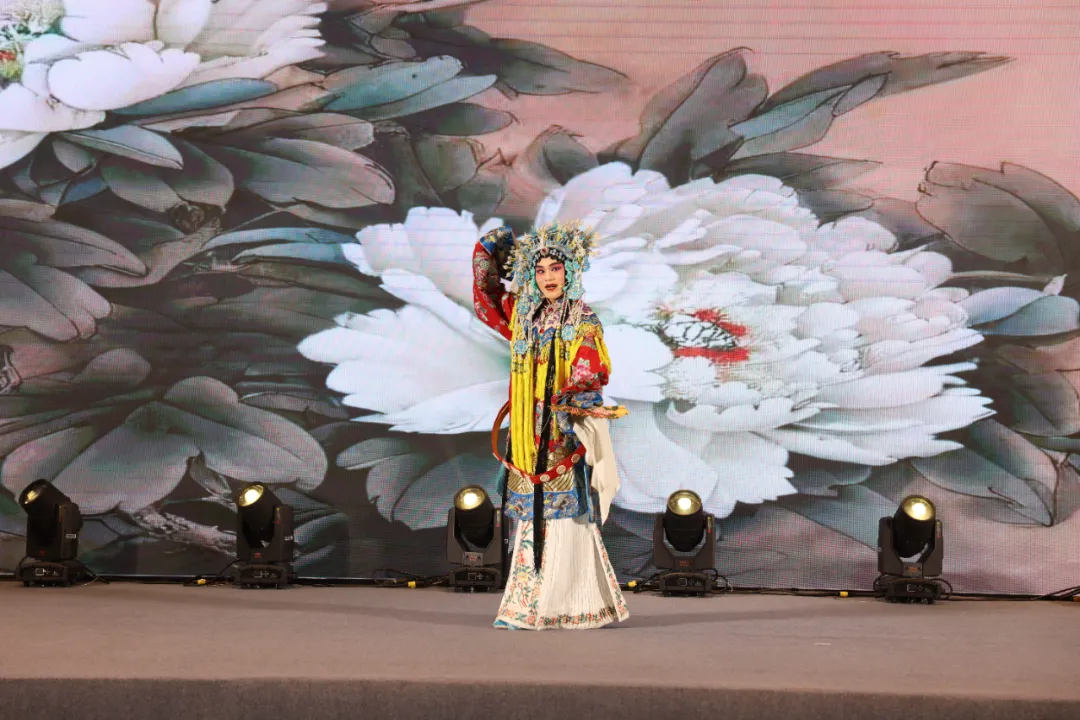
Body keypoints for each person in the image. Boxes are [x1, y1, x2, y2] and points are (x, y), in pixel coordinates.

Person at [471, 221, 629, 630]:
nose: (547, 278)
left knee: (565, 518)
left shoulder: (583, 319)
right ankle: (526, 606)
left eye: (555, 268)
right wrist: (490, 249)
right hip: (527, 433)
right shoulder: (523, 314)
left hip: (560, 430)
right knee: (530, 518)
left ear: (570, 270)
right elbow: (487, 299)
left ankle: (569, 605)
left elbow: (590, 369)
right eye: (539, 270)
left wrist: (569, 405)